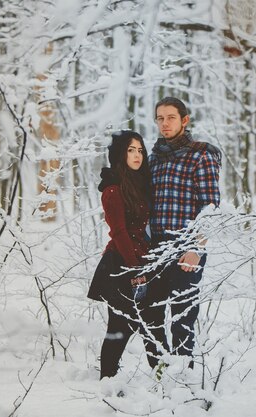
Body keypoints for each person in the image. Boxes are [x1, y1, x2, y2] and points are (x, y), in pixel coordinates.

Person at [88, 130, 167, 379]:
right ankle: (107, 382)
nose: (137, 155)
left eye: (140, 150)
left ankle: (164, 378)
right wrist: (136, 270)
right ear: (120, 154)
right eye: (131, 150)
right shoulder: (112, 188)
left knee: (154, 323)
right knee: (120, 326)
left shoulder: (139, 183)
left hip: (145, 260)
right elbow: (119, 232)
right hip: (122, 264)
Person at [149, 97, 221, 363]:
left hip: (185, 248)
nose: (164, 123)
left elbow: (210, 207)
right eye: (160, 118)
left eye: (170, 118)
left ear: (184, 120)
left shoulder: (201, 154)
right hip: (154, 248)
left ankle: (183, 379)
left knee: (182, 319)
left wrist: (196, 249)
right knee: (152, 316)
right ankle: (159, 373)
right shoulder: (154, 157)